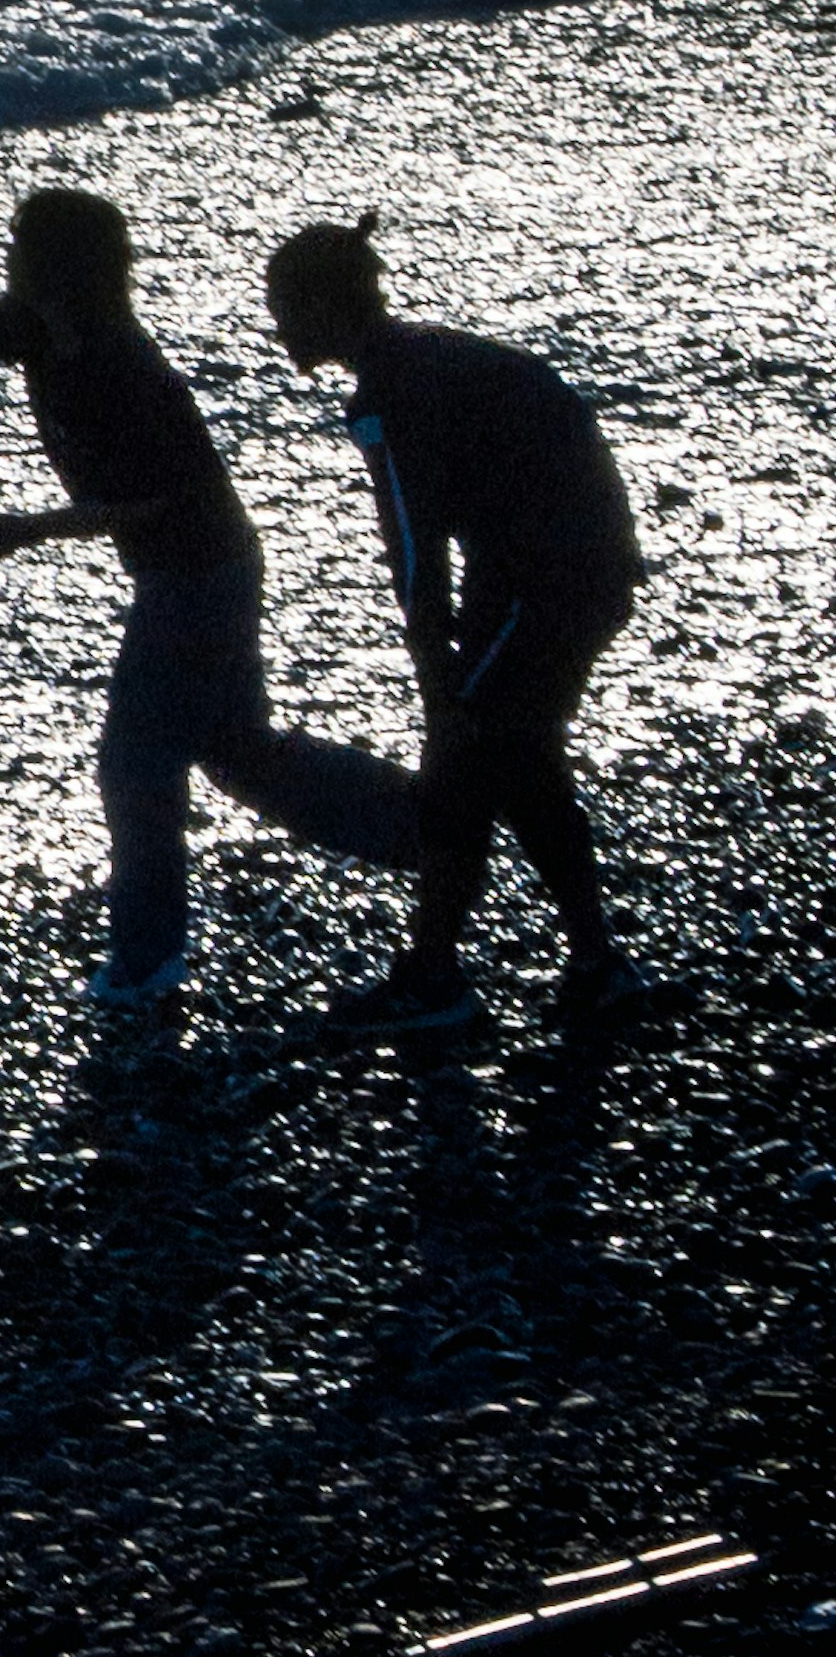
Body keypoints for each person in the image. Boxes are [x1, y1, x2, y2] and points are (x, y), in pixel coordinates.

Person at [0, 179, 420, 1028]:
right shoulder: (26, 322)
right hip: (188, 570)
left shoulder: (126, 366)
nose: (8, 259)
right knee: (238, 752)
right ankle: (423, 827)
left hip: (200, 570)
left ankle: (146, 958)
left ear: (57, 266)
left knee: (137, 767)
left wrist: (34, 527)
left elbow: (154, 499)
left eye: (21, 247)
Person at [262, 215, 644, 1045]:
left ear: (327, 307)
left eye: (285, 308)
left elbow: (411, 538)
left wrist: (434, 664)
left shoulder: (390, 390)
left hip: (546, 582)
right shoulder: (427, 356)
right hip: (566, 568)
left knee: (469, 759)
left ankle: (440, 976)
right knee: (520, 757)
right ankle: (589, 964)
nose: (278, 327)